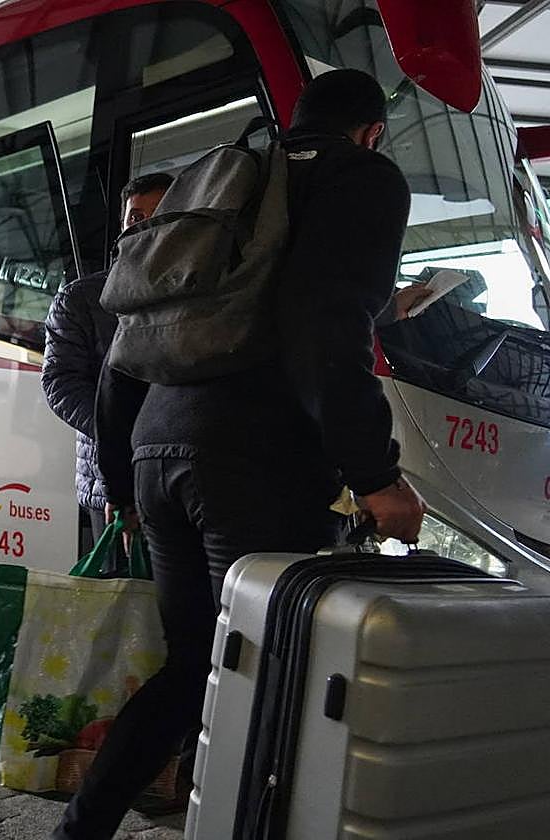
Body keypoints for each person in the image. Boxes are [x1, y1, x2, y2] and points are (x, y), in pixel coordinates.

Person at [52, 69, 427, 840]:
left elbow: (135, 334)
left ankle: (79, 831)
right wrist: (377, 476)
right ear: (371, 131)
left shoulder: (234, 177)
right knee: (271, 676)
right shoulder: (363, 178)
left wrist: (125, 479)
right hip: (252, 458)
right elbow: (325, 323)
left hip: (157, 443)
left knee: (196, 667)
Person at [42, 174, 174, 556]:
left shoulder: (200, 289)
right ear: (121, 227)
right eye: (135, 217)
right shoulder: (82, 298)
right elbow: (59, 383)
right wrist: (120, 430)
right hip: (112, 481)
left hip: (179, 478)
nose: (146, 224)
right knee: (122, 595)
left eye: (160, 212)